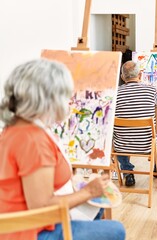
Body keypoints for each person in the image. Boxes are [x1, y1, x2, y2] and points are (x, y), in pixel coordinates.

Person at [0, 59, 126, 240]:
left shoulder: (16, 129)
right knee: (116, 230)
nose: (70, 101)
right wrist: (88, 192)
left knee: (97, 208)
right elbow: (41, 207)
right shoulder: (32, 139)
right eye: (66, 95)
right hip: (28, 231)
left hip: (16, 222)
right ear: (49, 98)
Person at [113, 60, 157, 186]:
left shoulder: (115, 93)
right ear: (140, 75)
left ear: (122, 77)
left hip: (121, 146)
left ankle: (128, 172)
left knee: (117, 138)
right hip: (147, 145)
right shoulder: (150, 90)